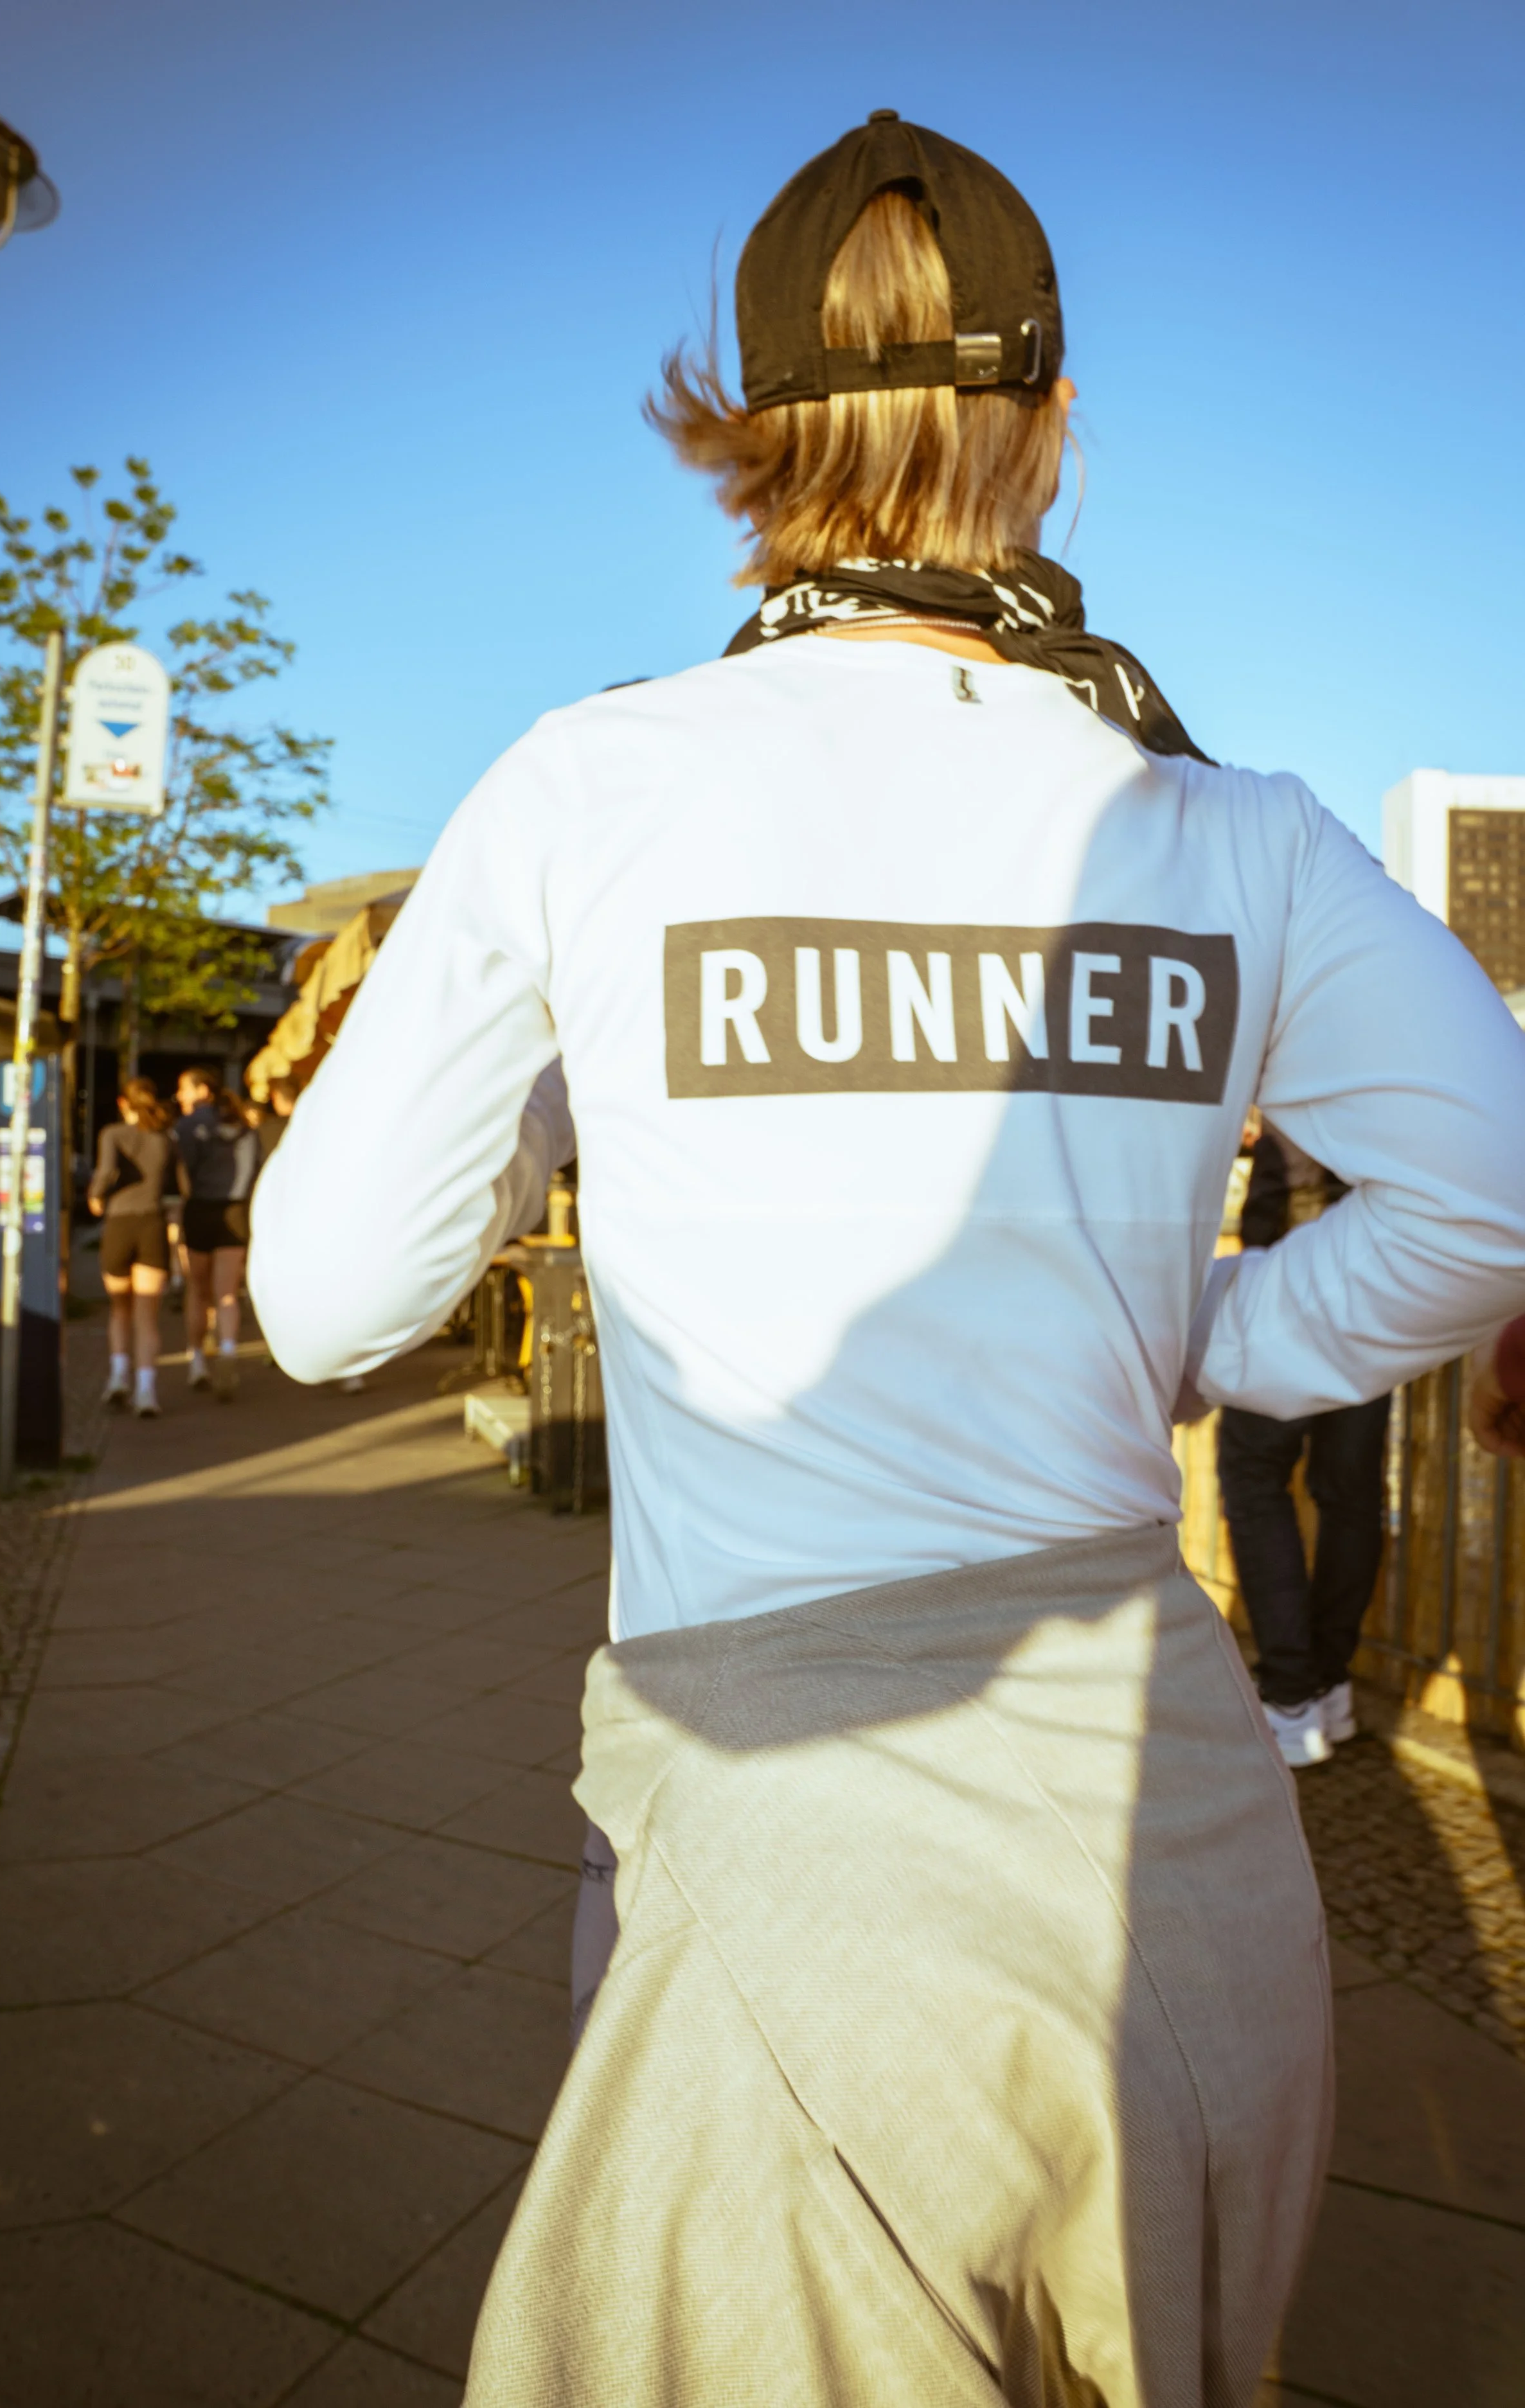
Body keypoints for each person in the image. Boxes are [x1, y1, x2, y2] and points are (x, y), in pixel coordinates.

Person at [250, 114, 1525, 2408]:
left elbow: (328, 1297)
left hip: (796, 1858)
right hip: (1183, 1852)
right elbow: (1488, 1192)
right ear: (1043, 426)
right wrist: (1221, 1331)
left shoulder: (596, 781)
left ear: (735, 437)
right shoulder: (1219, 820)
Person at [1217, 1122, 1389, 1767]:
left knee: (1253, 1476)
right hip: (1374, 1298)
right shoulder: (1395, 1061)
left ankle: (1291, 1699)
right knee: (1349, 1494)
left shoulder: (1307, 1054)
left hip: (1290, 1289)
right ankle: (1328, 1685)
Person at [87, 1076, 174, 1417]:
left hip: (120, 1225)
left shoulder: (112, 1134)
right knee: (147, 1314)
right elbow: (179, 1182)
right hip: (152, 1223)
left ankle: (118, 1376)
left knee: (119, 1309)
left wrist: (95, 1195)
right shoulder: (164, 1138)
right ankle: (146, 1390)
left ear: (123, 1103)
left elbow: (107, 1171)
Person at [174, 1064, 258, 1400]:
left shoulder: (188, 1127)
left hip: (201, 1209)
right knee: (227, 1293)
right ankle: (227, 1351)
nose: (179, 1096)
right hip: (236, 1211)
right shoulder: (244, 1128)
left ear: (203, 1091)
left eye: (184, 1088)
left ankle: (196, 1360)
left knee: (198, 1290)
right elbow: (257, 1169)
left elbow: (182, 1171)